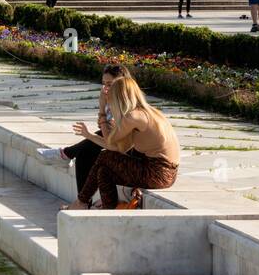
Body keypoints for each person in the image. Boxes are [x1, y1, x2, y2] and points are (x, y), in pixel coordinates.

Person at [62, 75, 180, 210]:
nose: (110, 103)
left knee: (105, 156)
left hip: (157, 173)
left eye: (111, 98)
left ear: (119, 98)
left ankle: (81, 202)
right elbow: (117, 147)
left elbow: (109, 142)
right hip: (165, 173)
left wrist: (102, 112)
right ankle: (109, 212)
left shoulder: (134, 117)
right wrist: (88, 135)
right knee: (104, 171)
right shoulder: (148, 112)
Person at [37, 63, 131, 197]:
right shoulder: (111, 100)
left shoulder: (128, 104)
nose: (105, 88)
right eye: (104, 84)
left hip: (130, 153)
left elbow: (111, 139)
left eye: (110, 84)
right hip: (117, 144)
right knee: (83, 155)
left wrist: (102, 110)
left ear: (122, 84)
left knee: (91, 147)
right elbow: (108, 133)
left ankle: (66, 154)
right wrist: (103, 110)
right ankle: (83, 202)